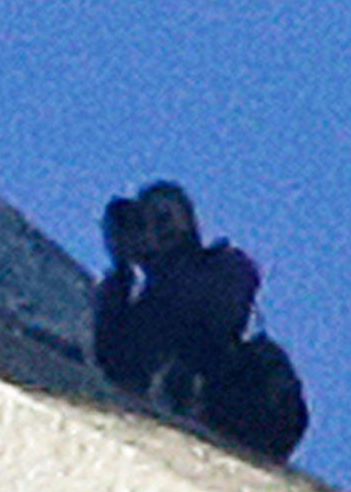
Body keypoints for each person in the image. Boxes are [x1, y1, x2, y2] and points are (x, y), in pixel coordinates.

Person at [93, 181, 309, 461]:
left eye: (165, 219)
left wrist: (161, 265)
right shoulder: (142, 303)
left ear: (189, 222)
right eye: (148, 225)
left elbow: (209, 313)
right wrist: (122, 270)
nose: (161, 231)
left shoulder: (224, 266)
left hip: (243, 401)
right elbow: (116, 364)